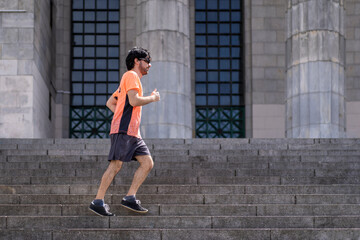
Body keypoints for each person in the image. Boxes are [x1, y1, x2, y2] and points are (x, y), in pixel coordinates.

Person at [89, 47, 160, 216]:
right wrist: (153, 98)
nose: (150, 64)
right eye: (147, 60)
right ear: (137, 61)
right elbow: (134, 100)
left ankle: (130, 197)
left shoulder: (129, 80)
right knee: (116, 165)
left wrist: (122, 116)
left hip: (133, 133)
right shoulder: (131, 76)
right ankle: (97, 201)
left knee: (147, 163)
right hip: (123, 130)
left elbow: (111, 103)